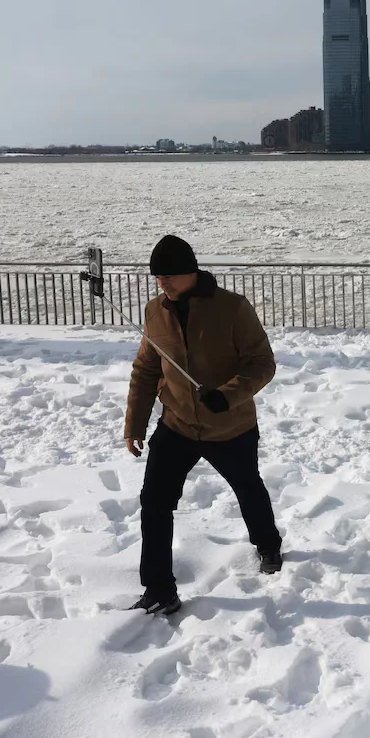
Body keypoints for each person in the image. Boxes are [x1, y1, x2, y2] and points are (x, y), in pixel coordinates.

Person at [124, 235, 281, 615]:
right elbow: (146, 369)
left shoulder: (231, 308)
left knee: (248, 487)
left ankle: (268, 545)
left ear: (192, 271)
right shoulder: (155, 311)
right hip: (176, 425)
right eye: (158, 276)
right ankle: (159, 590)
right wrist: (135, 424)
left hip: (229, 426)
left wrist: (227, 395)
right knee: (154, 503)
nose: (163, 282)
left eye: (171, 275)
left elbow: (262, 363)